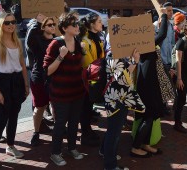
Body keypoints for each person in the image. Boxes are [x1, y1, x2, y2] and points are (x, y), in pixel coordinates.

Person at [0, 13, 29, 167]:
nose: (11, 25)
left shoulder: (17, 41)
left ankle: (10, 146)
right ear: (1, 25)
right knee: (0, 121)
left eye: (13, 22)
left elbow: (23, 66)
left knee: (14, 117)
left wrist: (26, 84)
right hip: (1, 82)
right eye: (7, 22)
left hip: (16, 82)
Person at [43, 13, 85, 166]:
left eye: (77, 24)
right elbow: (47, 71)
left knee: (74, 122)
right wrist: (60, 56)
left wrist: (83, 53)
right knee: (60, 123)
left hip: (77, 91)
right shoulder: (55, 44)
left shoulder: (78, 41)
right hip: (60, 92)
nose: (77, 27)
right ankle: (55, 153)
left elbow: (80, 65)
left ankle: (72, 148)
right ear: (65, 28)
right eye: (74, 24)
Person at [131, 8, 171, 157]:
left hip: (150, 81)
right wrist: (164, 16)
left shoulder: (145, 39)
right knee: (149, 115)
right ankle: (136, 147)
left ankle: (145, 144)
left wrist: (161, 20)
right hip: (147, 83)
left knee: (152, 114)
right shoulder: (143, 41)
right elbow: (162, 34)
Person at [103, 49, 145, 170]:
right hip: (116, 101)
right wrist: (135, 62)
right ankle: (110, 165)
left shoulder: (120, 54)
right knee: (114, 132)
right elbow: (122, 79)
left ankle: (105, 152)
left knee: (113, 130)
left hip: (121, 99)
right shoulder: (112, 55)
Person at [27, 16, 55, 146]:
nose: (52, 26)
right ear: (43, 27)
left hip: (54, 79)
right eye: (49, 25)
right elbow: (29, 40)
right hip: (39, 78)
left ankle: (58, 128)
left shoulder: (57, 41)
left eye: (54, 24)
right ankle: (36, 132)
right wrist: (37, 23)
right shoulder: (37, 40)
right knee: (39, 107)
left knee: (55, 105)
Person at [79, 13, 105, 146]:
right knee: (85, 107)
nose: (102, 23)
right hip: (87, 80)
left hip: (95, 77)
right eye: (99, 21)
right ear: (92, 24)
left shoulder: (97, 38)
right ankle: (85, 133)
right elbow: (87, 64)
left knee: (89, 107)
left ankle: (87, 130)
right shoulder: (85, 41)